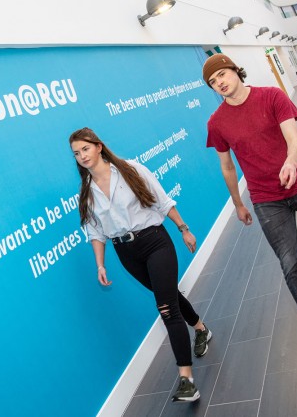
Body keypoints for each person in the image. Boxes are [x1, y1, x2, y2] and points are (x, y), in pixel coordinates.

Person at [203, 54, 297, 361]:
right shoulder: (216, 123)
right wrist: (238, 202)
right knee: (291, 265)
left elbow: (294, 140)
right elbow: (227, 167)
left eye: (221, 74)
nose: (219, 82)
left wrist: (290, 162)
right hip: (265, 199)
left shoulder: (272, 96)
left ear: (235, 70)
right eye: (212, 81)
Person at [69, 127, 211, 403]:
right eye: (76, 153)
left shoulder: (130, 170)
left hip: (155, 242)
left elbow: (161, 200)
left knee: (166, 308)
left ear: (98, 146)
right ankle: (201, 328)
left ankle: (186, 379)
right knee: (168, 297)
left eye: (85, 149)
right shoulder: (85, 192)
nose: (82, 156)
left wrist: (183, 228)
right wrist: (100, 265)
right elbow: (95, 232)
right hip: (126, 253)